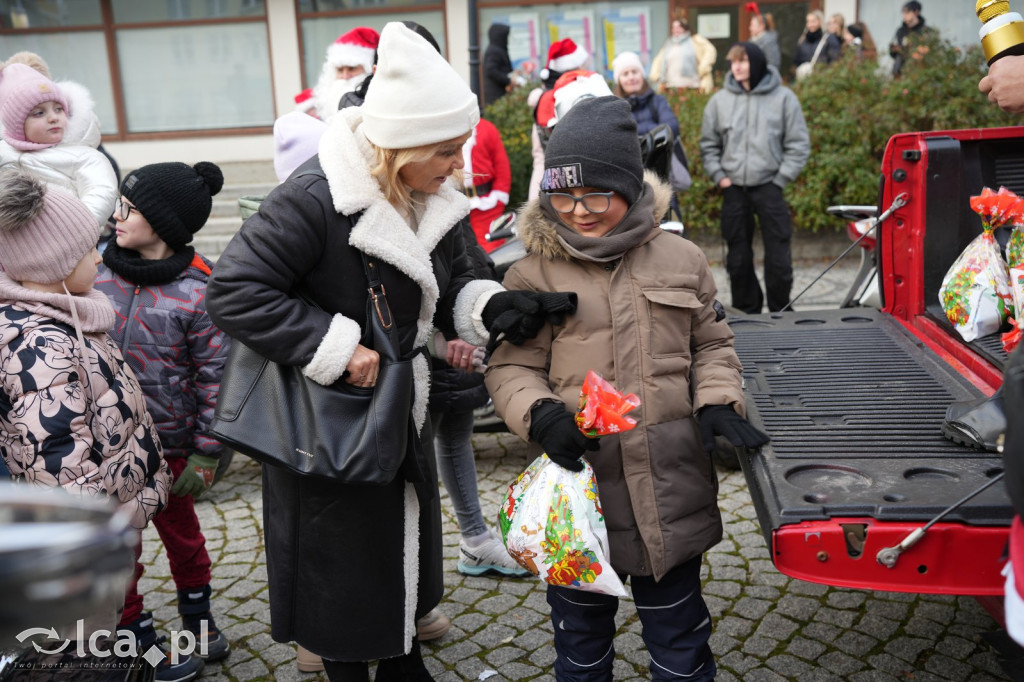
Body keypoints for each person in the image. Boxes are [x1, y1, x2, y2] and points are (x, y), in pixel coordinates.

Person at [206, 22, 574, 681]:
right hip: (327, 419)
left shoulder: (426, 191)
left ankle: (400, 658)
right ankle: (355, 665)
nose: (460, 167)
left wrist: (489, 308)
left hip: (397, 405)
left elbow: (461, 272)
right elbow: (234, 291)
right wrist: (335, 346)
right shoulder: (315, 199)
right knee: (342, 560)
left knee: (395, 542)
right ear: (399, 146)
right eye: (448, 151)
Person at [484, 95, 769, 682]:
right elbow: (510, 369)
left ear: (630, 188)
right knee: (581, 646)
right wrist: (539, 416)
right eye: (563, 196)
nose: (579, 211)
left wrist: (717, 401)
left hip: (671, 490)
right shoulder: (530, 273)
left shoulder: (681, 258)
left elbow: (712, 346)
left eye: (596, 195)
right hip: (580, 503)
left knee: (680, 640)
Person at [0, 167, 171, 655]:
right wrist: (95, 536)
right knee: (82, 643)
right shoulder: (40, 343)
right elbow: (59, 454)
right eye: (85, 251)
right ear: (51, 264)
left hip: (106, 514)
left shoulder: (70, 314)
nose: (99, 256)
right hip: (80, 543)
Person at [94, 161, 233, 681]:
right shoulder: (97, 275)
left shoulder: (199, 290)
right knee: (118, 544)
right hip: (110, 449)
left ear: (164, 222)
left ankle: (198, 620)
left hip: (172, 446)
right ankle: (133, 633)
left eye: (130, 209)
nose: (116, 216)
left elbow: (216, 379)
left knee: (184, 537)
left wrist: (206, 451)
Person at [700, 42, 810, 314]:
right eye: (733, 61)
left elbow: (798, 144)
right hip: (734, 187)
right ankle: (747, 310)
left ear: (757, 63)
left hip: (770, 186)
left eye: (743, 61)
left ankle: (780, 309)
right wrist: (720, 176)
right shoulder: (719, 101)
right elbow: (709, 144)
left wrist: (781, 179)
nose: (736, 66)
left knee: (779, 256)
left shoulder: (784, 98)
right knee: (737, 257)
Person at [0, 54, 117, 230]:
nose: (53, 118)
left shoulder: (84, 155)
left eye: (58, 109)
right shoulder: (4, 152)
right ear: (16, 124)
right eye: (39, 113)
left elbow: (102, 192)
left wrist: (77, 231)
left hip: (72, 237)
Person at [527, 38, 590, 201]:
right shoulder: (579, 95)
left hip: (546, 180)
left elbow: (540, 155)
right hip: (578, 182)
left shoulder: (542, 98)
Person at [462, 117, 511, 252]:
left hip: (486, 206)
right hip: (455, 205)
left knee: (491, 253)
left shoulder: (486, 128)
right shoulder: (444, 130)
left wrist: (499, 198)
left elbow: (502, 167)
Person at [650, 16, 717, 94]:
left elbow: (710, 51)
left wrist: (703, 68)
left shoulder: (695, 40)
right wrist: (655, 75)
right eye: (674, 27)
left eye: (679, 27)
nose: (676, 30)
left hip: (694, 86)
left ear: (685, 28)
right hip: (671, 86)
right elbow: (658, 60)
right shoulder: (669, 44)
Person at [889, 1, 933, 77]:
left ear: (916, 12)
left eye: (907, 12)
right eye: (903, 12)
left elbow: (929, 51)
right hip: (900, 72)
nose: (904, 15)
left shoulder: (925, 31)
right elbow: (892, 50)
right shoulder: (901, 31)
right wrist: (895, 49)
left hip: (918, 72)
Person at [794, 10, 842, 78]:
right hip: (804, 80)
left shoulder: (829, 39)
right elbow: (796, 61)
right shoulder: (802, 40)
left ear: (820, 21)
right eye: (808, 21)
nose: (810, 24)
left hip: (822, 79)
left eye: (813, 21)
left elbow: (835, 61)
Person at [483, 23, 514, 107]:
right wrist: (508, 80)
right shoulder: (494, 51)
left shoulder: (498, 49)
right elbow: (491, 70)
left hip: (499, 95)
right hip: (496, 96)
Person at [747, 4, 781, 70]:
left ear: (762, 26)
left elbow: (773, 64)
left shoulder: (769, 42)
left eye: (752, 25)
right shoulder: (752, 41)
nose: (750, 28)